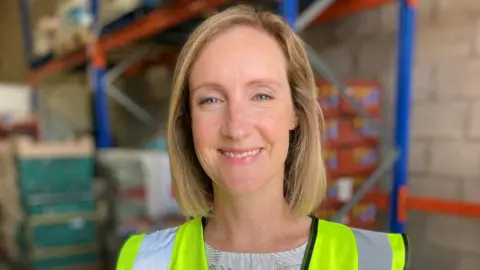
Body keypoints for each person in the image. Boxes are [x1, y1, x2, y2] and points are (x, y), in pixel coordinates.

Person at [116, 5, 409, 270]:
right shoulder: (145, 261)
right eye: (211, 100)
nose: (237, 128)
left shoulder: (376, 260)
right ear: (187, 122)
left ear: (296, 111)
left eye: (261, 95)